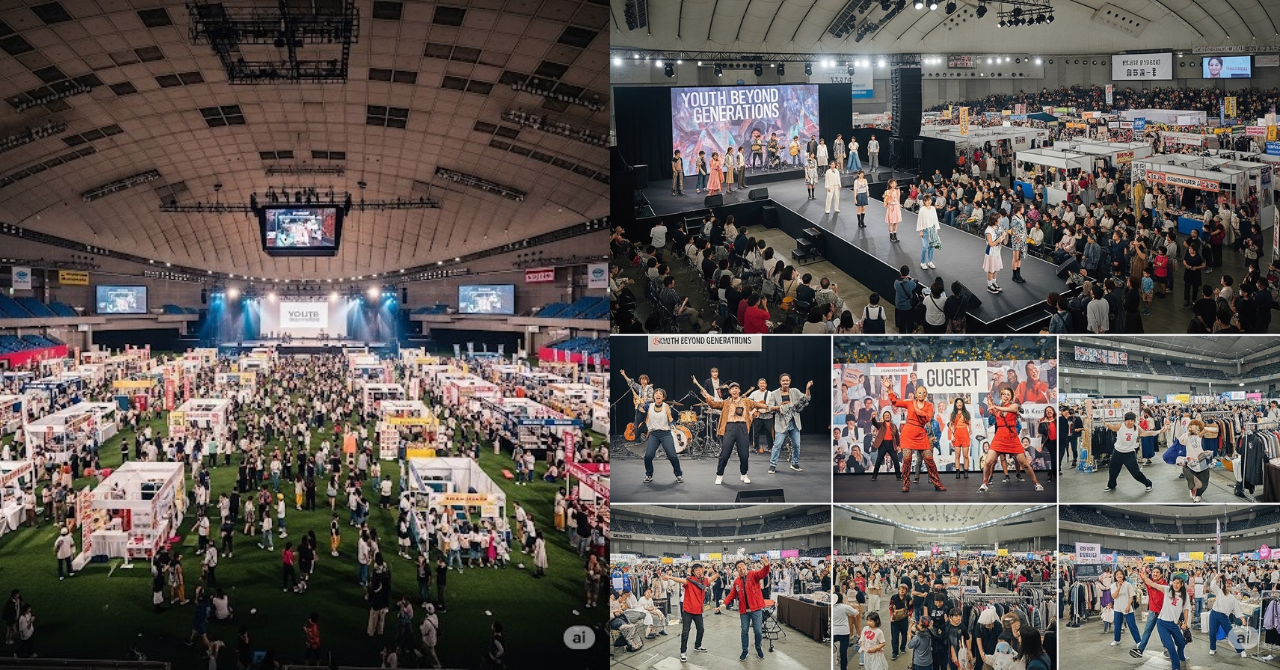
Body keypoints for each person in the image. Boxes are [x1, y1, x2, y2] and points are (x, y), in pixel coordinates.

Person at [700, 380, 772, 485]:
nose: (734, 390)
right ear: (730, 391)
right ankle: (719, 475)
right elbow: (714, 405)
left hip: (742, 427)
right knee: (725, 454)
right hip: (730, 427)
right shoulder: (726, 402)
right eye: (732, 389)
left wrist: (768, 407)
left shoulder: (746, 401)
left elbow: (757, 404)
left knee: (744, 454)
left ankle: (744, 474)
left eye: (736, 388)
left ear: (739, 390)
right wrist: (707, 398)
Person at [980, 387, 1043, 492]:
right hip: (999, 437)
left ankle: (1036, 483)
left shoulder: (1014, 406)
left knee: (1024, 464)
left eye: (1008, 394)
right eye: (1003, 394)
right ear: (1001, 396)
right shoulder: (998, 409)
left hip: (1012, 438)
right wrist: (991, 409)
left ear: (1011, 397)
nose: (1005, 396)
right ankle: (984, 483)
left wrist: (995, 407)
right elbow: (991, 419)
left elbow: (1010, 410)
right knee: (988, 462)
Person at [887, 384, 946, 493]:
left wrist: (918, 411)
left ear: (926, 394)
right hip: (908, 433)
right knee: (906, 460)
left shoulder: (929, 405)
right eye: (919, 392)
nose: (921, 394)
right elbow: (896, 402)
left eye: (924, 393)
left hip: (921, 434)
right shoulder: (910, 403)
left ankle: (937, 484)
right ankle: (905, 484)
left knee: (929, 460)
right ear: (915, 394)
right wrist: (889, 389)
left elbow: (927, 418)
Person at [1135, 569, 1191, 670]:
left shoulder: (1185, 595)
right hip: (1162, 624)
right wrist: (1144, 577)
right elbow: (1152, 584)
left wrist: (1185, 623)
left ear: (1182, 584)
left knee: (1181, 644)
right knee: (1171, 647)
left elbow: (1186, 609)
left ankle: (1181, 656)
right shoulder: (1167, 589)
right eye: (1174, 583)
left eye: (1178, 583)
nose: (1175, 585)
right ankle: (1176, 667)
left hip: (1174, 625)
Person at [661, 563, 715, 662]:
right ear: (693, 572)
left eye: (700, 569)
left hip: (698, 611)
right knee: (685, 632)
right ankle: (683, 652)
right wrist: (669, 577)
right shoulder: (689, 580)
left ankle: (697, 646)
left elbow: (712, 578)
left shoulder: (704, 581)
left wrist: (716, 571)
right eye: (696, 570)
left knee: (701, 629)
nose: (699, 571)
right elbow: (679, 580)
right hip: (688, 611)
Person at [722, 555, 771, 660]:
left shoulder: (753, 575)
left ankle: (758, 648)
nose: (741, 568)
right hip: (744, 611)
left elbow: (763, 573)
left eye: (742, 566)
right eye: (738, 567)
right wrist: (724, 603)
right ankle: (745, 650)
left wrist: (766, 565)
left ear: (746, 566)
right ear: (736, 570)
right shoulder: (737, 581)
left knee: (758, 631)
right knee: (744, 631)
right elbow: (732, 594)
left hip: (756, 609)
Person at [1101, 412, 1157, 494]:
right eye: (1128, 421)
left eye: (1132, 421)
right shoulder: (1120, 426)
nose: (1130, 423)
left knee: (1136, 473)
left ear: (1134, 421)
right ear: (1125, 420)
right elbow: (1113, 428)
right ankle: (1111, 485)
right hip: (1118, 452)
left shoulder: (1136, 428)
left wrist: (1158, 432)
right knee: (1113, 471)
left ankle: (1148, 484)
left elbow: (1145, 433)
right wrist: (1105, 423)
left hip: (1129, 454)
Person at [767, 375, 813, 474]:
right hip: (781, 423)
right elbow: (770, 408)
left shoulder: (795, 391)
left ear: (790, 381)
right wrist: (780, 407)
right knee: (777, 445)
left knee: (796, 445)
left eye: (787, 380)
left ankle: (794, 463)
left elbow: (806, 399)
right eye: (783, 380)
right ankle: (772, 465)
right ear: (780, 382)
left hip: (794, 422)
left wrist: (807, 389)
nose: (785, 382)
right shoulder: (774, 393)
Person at [640, 389, 683, 484]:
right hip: (653, 434)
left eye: (660, 394)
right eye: (656, 393)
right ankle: (649, 474)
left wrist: (674, 428)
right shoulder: (649, 406)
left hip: (665, 434)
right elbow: (642, 408)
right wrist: (640, 402)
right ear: (654, 396)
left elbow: (670, 419)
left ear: (663, 397)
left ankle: (678, 474)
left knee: (672, 456)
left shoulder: (665, 406)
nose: (658, 395)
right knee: (648, 456)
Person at [1204, 572, 1247, 658]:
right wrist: (1217, 576)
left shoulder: (1232, 598)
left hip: (1224, 616)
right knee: (1212, 632)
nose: (1227, 587)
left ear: (1230, 588)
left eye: (1229, 586)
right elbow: (1212, 584)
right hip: (1214, 614)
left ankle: (1241, 650)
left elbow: (1237, 610)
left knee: (1230, 633)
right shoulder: (1219, 592)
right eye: (1226, 586)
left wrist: (1242, 619)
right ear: (1223, 586)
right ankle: (1212, 648)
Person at [1176, 419, 1212, 501]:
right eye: (1194, 427)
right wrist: (1188, 433)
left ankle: (1198, 494)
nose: (1196, 430)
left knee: (1204, 481)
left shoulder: (1201, 437)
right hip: (1190, 462)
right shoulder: (1186, 436)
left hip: (1201, 461)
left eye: (1198, 428)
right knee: (1191, 478)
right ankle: (1193, 489)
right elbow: (1181, 441)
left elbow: (1212, 431)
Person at [983, 214, 1007, 294]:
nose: (999, 220)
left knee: (995, 268)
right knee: (990, 269)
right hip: (990, 252)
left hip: (997, 251)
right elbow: (990, 244)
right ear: (994, 221)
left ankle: (994, 282)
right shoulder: (988, 231)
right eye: (998, 219)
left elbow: (1003, 232)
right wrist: (999, 240)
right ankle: (989, 285)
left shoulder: (998, 227)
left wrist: (1004, 235)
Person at [834, 592, 858, 670]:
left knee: (834, 651)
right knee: (843, 652)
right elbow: (855, 612)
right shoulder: (844, 607)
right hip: (844, 632)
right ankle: (843, 668)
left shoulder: (831, 607)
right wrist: (856, 608)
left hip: (834, 632)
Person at [948, 398, 971, 479]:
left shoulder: (966, 413)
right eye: (957, 402)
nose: (959, 404)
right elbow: (951, 425)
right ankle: (957, 471)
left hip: (965, 434)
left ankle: (966, 471)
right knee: (957, 455)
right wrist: (952, 435)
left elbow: (969, 423)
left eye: (960, 402)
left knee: (965, 455)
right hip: (957, 434)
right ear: (955, 404)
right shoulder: (953, 414)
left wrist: (970, 430)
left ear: (963, 404)